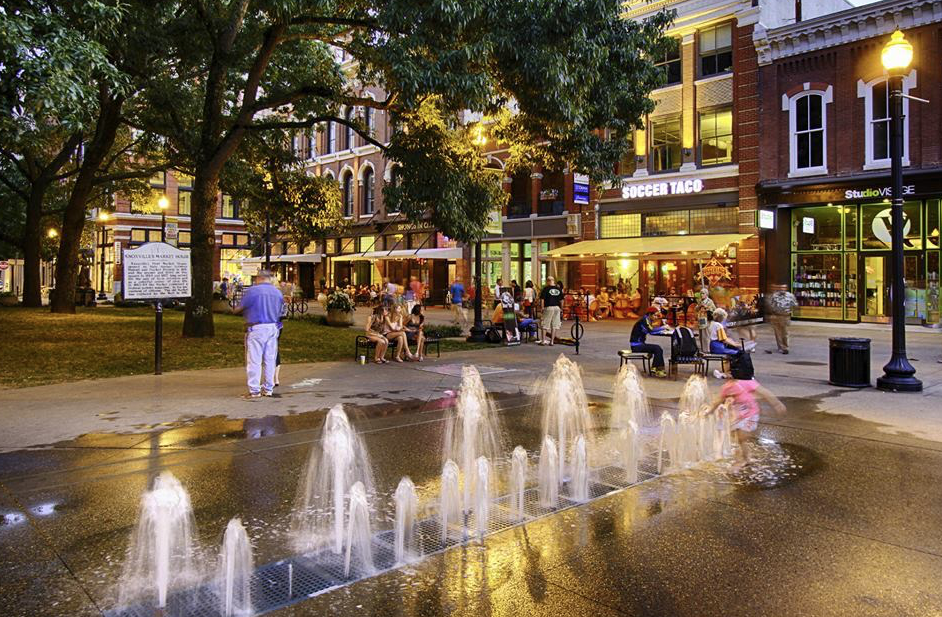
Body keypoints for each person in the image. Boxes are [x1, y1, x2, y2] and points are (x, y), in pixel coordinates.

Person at [708, 379, 786, 466]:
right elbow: (719, 400)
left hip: (751, 414)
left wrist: (776, 404)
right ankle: (746, 456)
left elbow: (764, 392)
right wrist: (710, 411)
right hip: (738, 416)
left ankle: (745, 459)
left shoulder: (746, 382)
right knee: (737, 437)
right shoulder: (726, 387)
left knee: (741, 437)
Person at [233, 270, 284, 398]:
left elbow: (239, 308)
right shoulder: (277, 292)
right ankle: (268, 388)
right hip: (273, 327)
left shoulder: (253, 291)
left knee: (254, 360)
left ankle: (255, 390)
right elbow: (282, 311)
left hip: (256, 327)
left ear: (260, 278)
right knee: (270, 359)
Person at [629, 307, 668, 377]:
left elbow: (651, 332)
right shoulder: (644, 320)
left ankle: (655, 367)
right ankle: (658, 369)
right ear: (650, 314)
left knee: (657, 348)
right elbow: (651, 330)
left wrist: (661, 330)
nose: (656, 317)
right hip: (637, 345)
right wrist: (663, 328)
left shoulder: (647, 320)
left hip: (640, 344)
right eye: (655, 315)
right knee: (657, 348)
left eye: (657, 316)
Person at [707, 308, 742, 379]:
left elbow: (723, 338)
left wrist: (733, 342)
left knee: (732, 351)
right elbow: (723, 339)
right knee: (736, 352)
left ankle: (728, 371)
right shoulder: (718, 325)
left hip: (713, 345)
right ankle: (729, 372)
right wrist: (735, 344)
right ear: (721, 317)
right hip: (718, 346)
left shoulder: (712, 324)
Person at [765, 284, 798, 355]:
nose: (782, 289)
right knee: (778, 333)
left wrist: (789, 310)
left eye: (784, 287)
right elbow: (770, 304)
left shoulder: (790, 296)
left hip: (785, 316)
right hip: (776, 316)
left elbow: (795, 304)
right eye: (781, 287)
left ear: (786, 288)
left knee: (785, 333)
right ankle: (781, 347)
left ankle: (786, 347)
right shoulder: (775, 295)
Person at [539, 276, 563, 345]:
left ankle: (543, 341)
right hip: (557, 308)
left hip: (548, 307)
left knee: (545, 324)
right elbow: (562, 300)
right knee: (554, 325)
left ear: (548, 281)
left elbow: (542, 299)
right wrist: (561, 308)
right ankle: (552, 341)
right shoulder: (558, 289)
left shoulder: (546, 289)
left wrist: (542, 307)